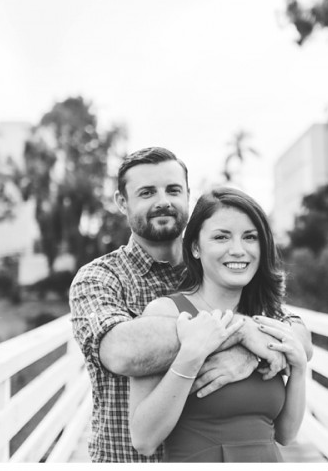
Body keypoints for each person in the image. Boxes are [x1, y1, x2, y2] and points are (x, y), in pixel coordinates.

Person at [69, 147, 311, 462]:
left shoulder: (221, 271)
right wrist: (240, 333)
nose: (163, 201)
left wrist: (251, 349)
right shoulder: (100, 278)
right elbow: (121, 352)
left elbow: (296, 333)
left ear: (187, 195)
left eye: (173, 190)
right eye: (147, 192)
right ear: (122, 202)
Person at [128, 187, 307, 462]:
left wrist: (299, 370)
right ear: (195, 247)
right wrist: (192, 356)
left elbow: (286, 434)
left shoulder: (267, 317)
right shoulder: (165, 313)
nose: (238, 250)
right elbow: (143, 440)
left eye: (250, 237)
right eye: (221, 237)